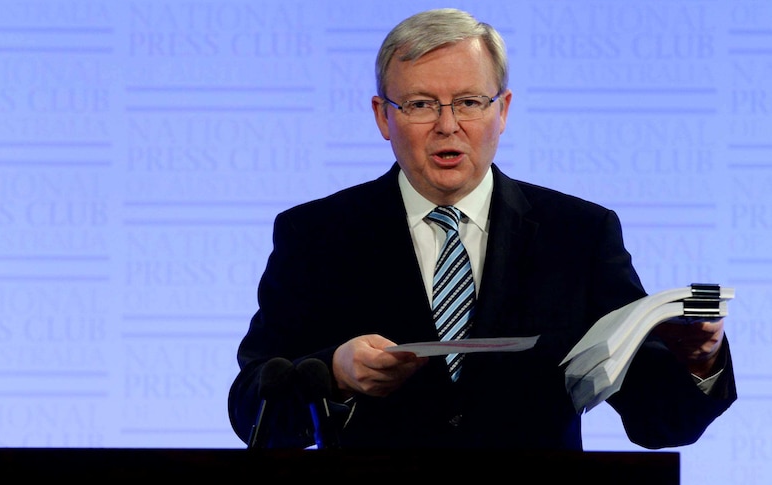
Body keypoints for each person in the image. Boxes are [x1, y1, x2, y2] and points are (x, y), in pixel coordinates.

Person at [227, 8, 736, 449]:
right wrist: (335, 374)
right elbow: (251, 407)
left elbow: (660, 422)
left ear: (503, 110)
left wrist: (698, 362)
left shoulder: (579, 235)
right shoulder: (317, 234)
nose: (448, 125)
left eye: (469, 102)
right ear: (383, 117)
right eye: (421, 104)